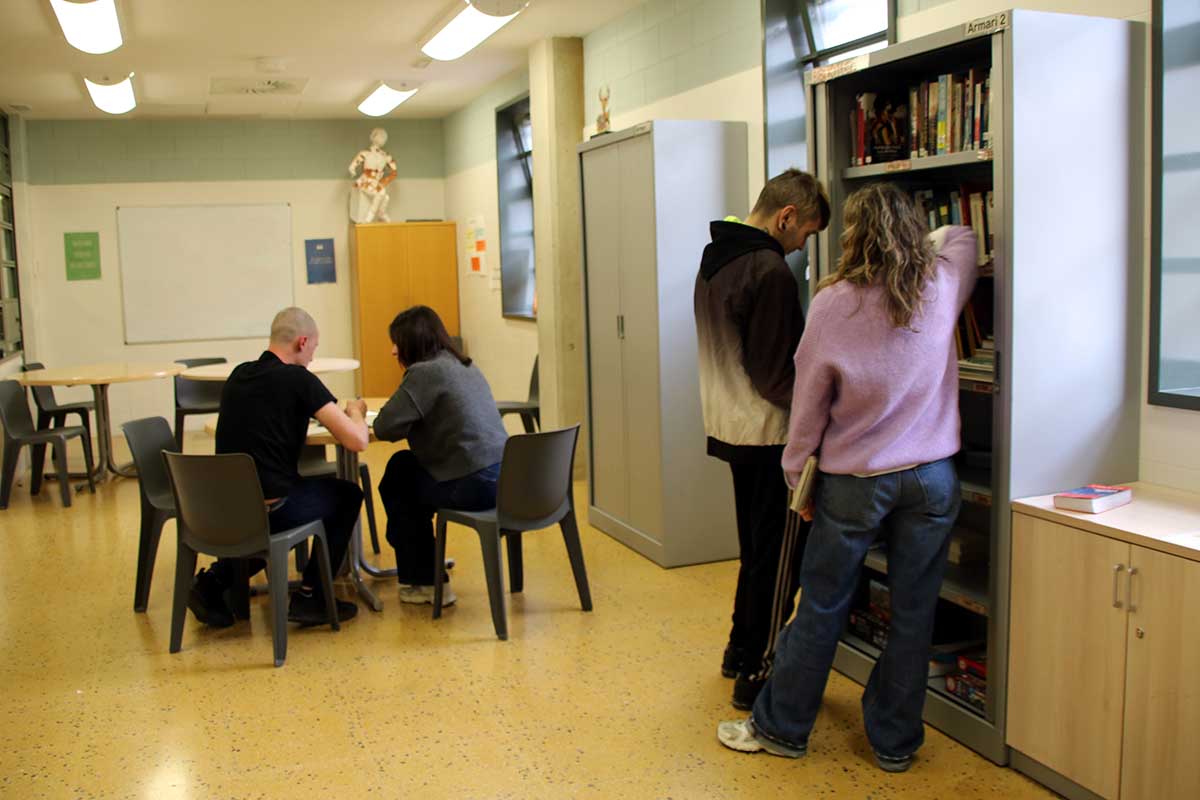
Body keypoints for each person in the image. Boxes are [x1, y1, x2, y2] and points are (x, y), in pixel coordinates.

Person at [717, 183, 979, 773]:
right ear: (910, 231)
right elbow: (961, 237)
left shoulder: (835, 302)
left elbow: (809, 402)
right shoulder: (941, 283)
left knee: (823, 604)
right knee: (914, 614)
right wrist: (920, 243)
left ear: (855, 235)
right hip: (933, 478)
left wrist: (796, 477)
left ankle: (782, 728)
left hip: (856, 481)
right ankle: (894, 741)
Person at [694, 168, 830, 710]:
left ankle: (737, 648)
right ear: (786, 217)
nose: (802, 247)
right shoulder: (769, 270)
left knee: (754, 552)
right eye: (806, 234)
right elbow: (777, 377)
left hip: (729, 427)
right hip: (770, 435)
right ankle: (756, 671)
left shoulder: (715, 258)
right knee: (778, 562)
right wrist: (827, 404)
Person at [188, 307, 368, 628]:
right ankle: (313, 596)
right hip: (271, 513)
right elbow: (356, 441)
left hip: (224, 513)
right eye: (313, 348)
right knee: (347, 495)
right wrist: (355, 411)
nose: (312, 358)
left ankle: (212, 582)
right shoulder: (299, 379)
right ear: (302, 342)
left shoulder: (239, 375)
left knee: (280, 505)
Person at [374, 306, 508, 606]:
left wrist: (356, 413)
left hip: (476, 485)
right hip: (507, 479)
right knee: (405, 469)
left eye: (397, 342)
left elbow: (384, 427)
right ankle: (424, 564)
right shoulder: (464, 364)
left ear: (413, 341)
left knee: (399, 478)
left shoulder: (425, 372)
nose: (394, 351)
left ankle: (428, 582)